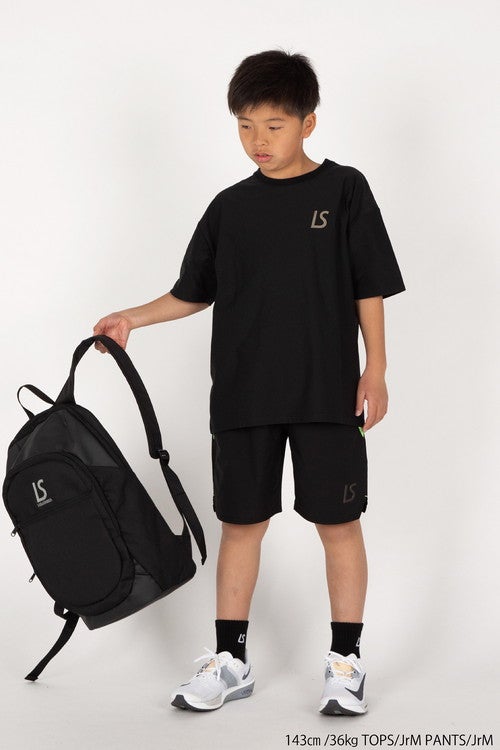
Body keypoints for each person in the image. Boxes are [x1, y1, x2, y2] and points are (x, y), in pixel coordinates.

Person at [93, 49, 406, 716]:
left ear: (308, 124)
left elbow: (369, 286)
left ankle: (345, 663)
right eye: (244, 125)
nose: (258, 140)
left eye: (274, 125)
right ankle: (230, 661)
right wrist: (130, 318)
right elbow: (192, 292)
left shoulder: (345, 190)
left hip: (327, 393)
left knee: (339, 524)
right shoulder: (229, 208)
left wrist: (375, 368)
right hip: (243, 395)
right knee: (241, 525)